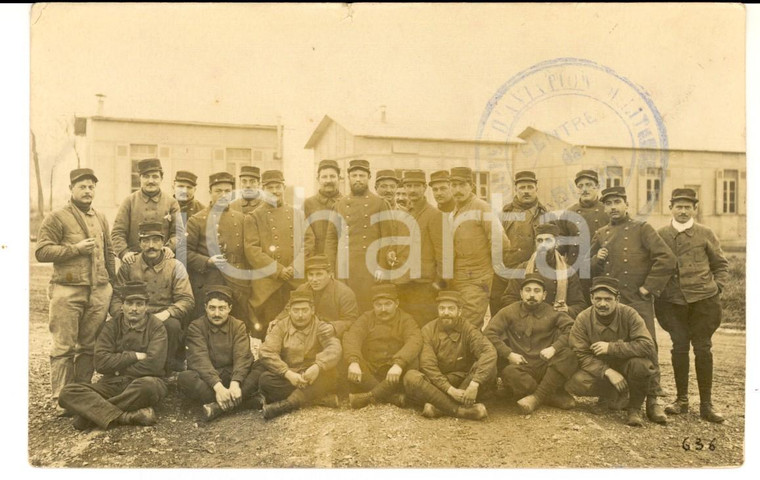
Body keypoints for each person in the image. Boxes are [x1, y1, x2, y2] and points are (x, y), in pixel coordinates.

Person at [590, 186, 676, 423]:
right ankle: (612, 395)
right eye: (608, 204)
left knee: (647, 346)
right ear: (604, 207)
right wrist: (596, 260)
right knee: (610, 345)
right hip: (611, 303)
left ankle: (653, 399)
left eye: (617, 202)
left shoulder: (642, 228)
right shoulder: (602, 233)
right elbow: (587, 268)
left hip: (637, 299)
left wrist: (648, 287)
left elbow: (666, 258)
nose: (613, 207)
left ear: (626, 204)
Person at [35, 168, 115, 410]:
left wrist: (113, 284)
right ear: (71, 189)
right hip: (67, 290)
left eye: (91, 186)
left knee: (88, 346)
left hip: (99, 290)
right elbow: (41, 251)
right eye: (82, 186)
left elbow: (109, 252)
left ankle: (79, 395)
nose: (88, 190)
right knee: (64, 347)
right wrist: (75, 249)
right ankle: (61, 399)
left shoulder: (100, 217)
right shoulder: (56, 217)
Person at [654, 188, 729, 423]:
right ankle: (681, 400)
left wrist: (717, 287)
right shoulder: (661, 234)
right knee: (679, 348)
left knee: (703, 348)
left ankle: (706, 404)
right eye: (679, 206)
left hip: (704, 302)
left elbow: (721, 265)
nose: (683, 211)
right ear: (671, 208)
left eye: (688, 207)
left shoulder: (706, 233)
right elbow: (653, 265)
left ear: (694, 209)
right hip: (672, 302)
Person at [58, 281, 168, 430]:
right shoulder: (111, 326)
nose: (134, 309)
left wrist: (116, 367)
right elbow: (101, 363)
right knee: (67, 392)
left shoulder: (157, 327)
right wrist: (133, 356)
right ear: (122, 305)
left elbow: (154, 365)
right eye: (129, 303)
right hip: (112, 383)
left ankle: (92, 414)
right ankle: (125, 417)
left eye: (139, 304)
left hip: (140, 383)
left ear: (146, 306)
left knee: (150, 386)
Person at [565, 277, 659, 427]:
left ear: (617, 299)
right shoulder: (583, 318)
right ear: (591, 298)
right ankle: (611, 395)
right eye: (598, 299)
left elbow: (648, 346)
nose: (603, 304)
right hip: (603, 370)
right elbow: (580, 353)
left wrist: (611, 347)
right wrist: (607, 371)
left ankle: (634, 408)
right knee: (577, 382)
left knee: (641, 365)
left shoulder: (629, 314)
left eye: (608, 299)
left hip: (628, 366)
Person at [484, 273, 577, 414]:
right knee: (509, 373)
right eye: (528, 290)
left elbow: (572, 329)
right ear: (521, 293)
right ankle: (548, 396)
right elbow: (489, 332)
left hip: (546, 366)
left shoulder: (552, 312)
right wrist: (508, 354)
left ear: (544, 295)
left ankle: (536, 398)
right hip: (522, 367)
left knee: (569, 355)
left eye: (537, 291)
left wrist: (554, 348)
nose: (532, 295)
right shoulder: (509, 311)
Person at [109, 221, 194, 374]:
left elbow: (186, 300)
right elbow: (116, 296)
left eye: (156, 240)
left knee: (173, 326)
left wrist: (167, 313)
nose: (151, 245)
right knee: (112, 326)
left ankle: (166, 370)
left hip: (162, 316)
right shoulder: (129, 265)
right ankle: (124, 368)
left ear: (163, 242)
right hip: (134, 314)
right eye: (146, 241)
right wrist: (123, 315)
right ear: (140, 243)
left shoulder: (175, 266)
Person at [403, 291, 496, 420]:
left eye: (451, 309)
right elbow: (428, 366)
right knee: (411, 376)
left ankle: (438, 406)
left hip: (464, 383)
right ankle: (459, 410)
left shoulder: (468, 329)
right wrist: (450, 390)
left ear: (460, 311)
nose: (446, 312)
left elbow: (489, 352)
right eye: (442, 308)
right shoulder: (428, 330)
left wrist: (474, 383)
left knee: (488, 367)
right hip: (438, 384)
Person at [178, 285, 261, 421]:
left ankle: (217, 407)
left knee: (261, 367)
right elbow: (200, 360)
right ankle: (244, 402)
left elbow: (242, 357)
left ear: (229, 308)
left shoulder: (238, 325)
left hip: (233, 377)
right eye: (212, 308)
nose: (216, 314)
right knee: (185, 378)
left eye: (221, 308)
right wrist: (218, 387)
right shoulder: (196, 327)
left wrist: (235, 383)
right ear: (205, 307)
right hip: (210, 382)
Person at [256, 289, 342, 419]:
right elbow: (266, 351)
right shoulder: (280, 326)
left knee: (332, 376)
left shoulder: (321, 326)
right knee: (265, 381)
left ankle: (288, 404)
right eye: (296, 311)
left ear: (312, 310)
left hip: (312, 375)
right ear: (289, 310)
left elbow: (334, 347)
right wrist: (287, 373)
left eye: (304, 310)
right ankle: (316, 400)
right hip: (290, 375)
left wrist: (318, 366)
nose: (300, 315)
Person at [244, 170, 308, 338]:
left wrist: (295, 267)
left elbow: (309, 243)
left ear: (283, 187)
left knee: (297, 328)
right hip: (268, 285)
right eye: (270, 188)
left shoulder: (298, 214)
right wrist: (278, 270)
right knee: (268, 329)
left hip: (294, 282)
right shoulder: (254, 217)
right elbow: (252, 250)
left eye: (278, 187)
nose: (274, 191)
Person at [324, 159, 394, 312]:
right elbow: (331, 239)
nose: (358, 179)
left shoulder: (380, 203)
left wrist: (382, 266)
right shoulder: (340, 204)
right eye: (354, 175)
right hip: (344, 266)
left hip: (370, 266)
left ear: (369, 178)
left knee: (367, 306)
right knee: (346, 306)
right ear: (348, 178)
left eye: (362, 175)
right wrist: (329, 268)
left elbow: (387, 237)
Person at [186, 172, 251, 328]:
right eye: (218, 191)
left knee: (237, 325)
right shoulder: (197, 220)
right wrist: (207, 261)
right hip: (209, 281)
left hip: (236, 283)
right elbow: (184, 253)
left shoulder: (242, 219)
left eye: (227, 191)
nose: (223, 195)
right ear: (210, 192)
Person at [448, 166, 510, 329]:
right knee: (457, 321)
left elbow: (501, 241)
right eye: (453, 185)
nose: (457, 190)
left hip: (477, 277)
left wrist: (490, 265)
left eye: (462, 185)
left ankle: (469, 354)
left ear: (471, 186)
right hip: (458, 276)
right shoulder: (454, 211)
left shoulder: (482, 207)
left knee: (470, 323)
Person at [342, 284, 422, 409]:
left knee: (413, 360)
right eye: (378, 305)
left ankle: (369, 396)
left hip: (393, 373)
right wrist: (353, 361)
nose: (383, 309)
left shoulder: (406, 319)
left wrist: (399, 364)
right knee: (348, 357)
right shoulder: (366, 318)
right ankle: (390, 397)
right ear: (373, 305)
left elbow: (415, 340)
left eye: (388, 304)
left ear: (397, 303)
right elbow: (352, 336)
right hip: (371, 371)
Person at [491, 171, 548, 318]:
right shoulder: (505, 213)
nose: (526, 191)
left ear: (536, 188)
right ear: (515, 190)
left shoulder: (545, 215)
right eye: (522, 187)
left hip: (531, 273)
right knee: (500, 313)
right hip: (504, 273)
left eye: (530, 187)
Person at [499, 223, 586, 317]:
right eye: (539, 240)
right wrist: (523, 309)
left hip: (555, 321)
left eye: (548, 240)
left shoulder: (568, 272)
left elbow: (579, 305)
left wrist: (567, 309)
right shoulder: (522, 269)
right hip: (526, 320)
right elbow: (508, 299)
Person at [393, 169, 444, 327]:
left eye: (417, 186)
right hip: (403, 283)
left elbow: (443, 253)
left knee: (424, 327)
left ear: (424, 188)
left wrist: (438, 283)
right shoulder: (403, 214)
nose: (412, 190)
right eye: (408, 186)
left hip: (424, 285)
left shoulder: (434, 215)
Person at [271, 255, 359, 339]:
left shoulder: (344, 293)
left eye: (319, 274)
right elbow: (288, 309)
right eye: (311, 275)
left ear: (330, 274)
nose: (314, 279)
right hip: (306, 336)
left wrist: (334, 327)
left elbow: (352, 321)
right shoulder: (303, 288)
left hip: (332, 338)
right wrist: (278, 320)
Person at [112, 158, 180, 265]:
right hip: (133, 262)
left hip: (162, 262)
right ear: (140, 178)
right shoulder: (129, 201)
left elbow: (178, 233)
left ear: (161, 178)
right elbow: (117, 233)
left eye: (155, 177)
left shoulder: (171, 202)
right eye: (146, 176)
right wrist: (124, 253)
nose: (150, 181)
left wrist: (169, 248)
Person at [556, 170, 610, 298]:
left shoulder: (607, 210)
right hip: (577, 272)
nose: (584, 189)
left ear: (597, 186)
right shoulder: (569, 213)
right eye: (580, 186)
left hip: (602, 271)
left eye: (589, 184)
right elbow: (560, 246)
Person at [303, 159, 343, 255]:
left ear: (339, 178)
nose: (328, 180)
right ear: (318, 179)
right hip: (316, 261)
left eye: (332, 176)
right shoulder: (308, 204)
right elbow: (304, 238)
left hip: (342, 260)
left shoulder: (347, 203)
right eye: (324, 177)